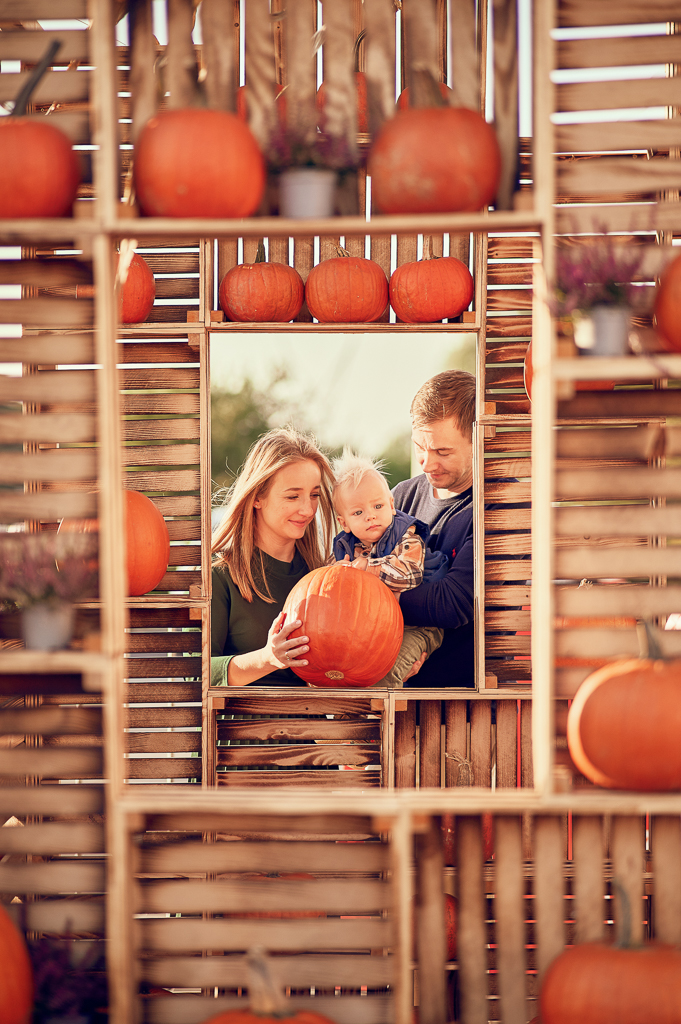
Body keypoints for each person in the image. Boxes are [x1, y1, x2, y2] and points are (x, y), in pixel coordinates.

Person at [211, 426, 335, 687]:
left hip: (314, 725)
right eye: (293, 496)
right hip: (244, 726)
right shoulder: (219, 574)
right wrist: (268, 658)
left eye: (314, 495)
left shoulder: (324, 576)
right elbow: (194, 673)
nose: (307, 509)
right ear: (257, 497)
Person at [331, 448, 448, 686]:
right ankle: (344, 715)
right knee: (342, 668)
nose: (371, 516)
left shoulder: (407, 536)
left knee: (385, 673)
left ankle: (374, 720)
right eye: (358, 512)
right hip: (375, 627)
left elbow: (411, 574)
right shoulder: (346, 548)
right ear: (344, 522)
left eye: (377, 506)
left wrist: (367, 568)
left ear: (391, 505)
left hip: (418, 626)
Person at [392, 369, 475, 687]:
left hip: (460, 695)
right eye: (420, 447)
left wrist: (371, 591)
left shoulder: (492, 507)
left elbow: (451, 602)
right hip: (393, 690)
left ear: (476, 440)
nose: (426, 463)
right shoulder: (401, 496)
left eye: (443, 452)